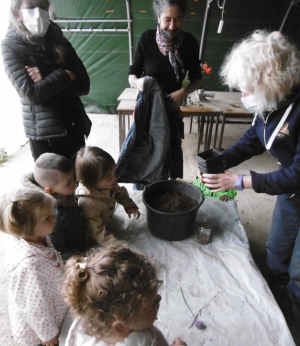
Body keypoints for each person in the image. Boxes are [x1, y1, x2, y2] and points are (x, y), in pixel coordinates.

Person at [199, 30, 300, 328]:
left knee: (298, 275)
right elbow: (252, 141)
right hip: (291, 194)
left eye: (248, 88)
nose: (244, 96)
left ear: (274, 81)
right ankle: (278, 308)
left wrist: (241, 181)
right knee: (276, 255)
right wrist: (219, 163)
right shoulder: (270, 105)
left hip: (294, 182)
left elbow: (296, 174)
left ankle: (292, 327)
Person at [1, 0, 92, 163]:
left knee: (77, 182)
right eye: (30, 7)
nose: (38, 12)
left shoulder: (58, 38)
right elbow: (32, 94)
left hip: (74, 124)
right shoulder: (11, 45)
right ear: (17, 13)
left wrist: (47, 75)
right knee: (53, 186)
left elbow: (84, 84)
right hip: (45, 135)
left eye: (43, 7)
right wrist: (66, 75)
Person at [128, 0, 201, 187]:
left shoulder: (189, 43)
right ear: (158, 18)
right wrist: (138, 83)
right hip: (149, 109)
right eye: (167, 19)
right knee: (145, 153)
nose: (172, 26)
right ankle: (142, 195)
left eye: (177, 20)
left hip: (171, 109)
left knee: (171, 154)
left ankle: (169, 192)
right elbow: (132, 74)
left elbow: (196, 80)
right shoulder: (146, 39)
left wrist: (182, 93)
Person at [62, 241, 187, 346]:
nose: (159, 298)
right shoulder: (142, 342)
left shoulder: (89, 319)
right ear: (121, 327)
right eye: (151, 305)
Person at [0, 188, 67, 346]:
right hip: (39, 331)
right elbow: (34, 308)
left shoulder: (36, 237)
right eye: (46, 218)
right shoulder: (29, 266)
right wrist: (49, 335)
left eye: (52, 212)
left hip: (51, 296)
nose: (53, 218)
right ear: (27, 229)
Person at [21, 152, 88, 259]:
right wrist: (73, 259)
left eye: (73, 177)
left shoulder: (64, 193)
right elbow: (57, 244)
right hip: (72, 253)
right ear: (50, 190)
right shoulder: (52, 215)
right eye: (69, 182)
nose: (75, 183)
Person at [75, 146, 140, 245]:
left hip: (107, 221)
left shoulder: (110, 184)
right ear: (92, 182)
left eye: (114, 173)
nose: (115, 178)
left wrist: (129, 205)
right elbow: (97, 231)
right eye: (109, 178)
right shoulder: (88, 203)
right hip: (95, 237)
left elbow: (120, 193)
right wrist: (115, 245)